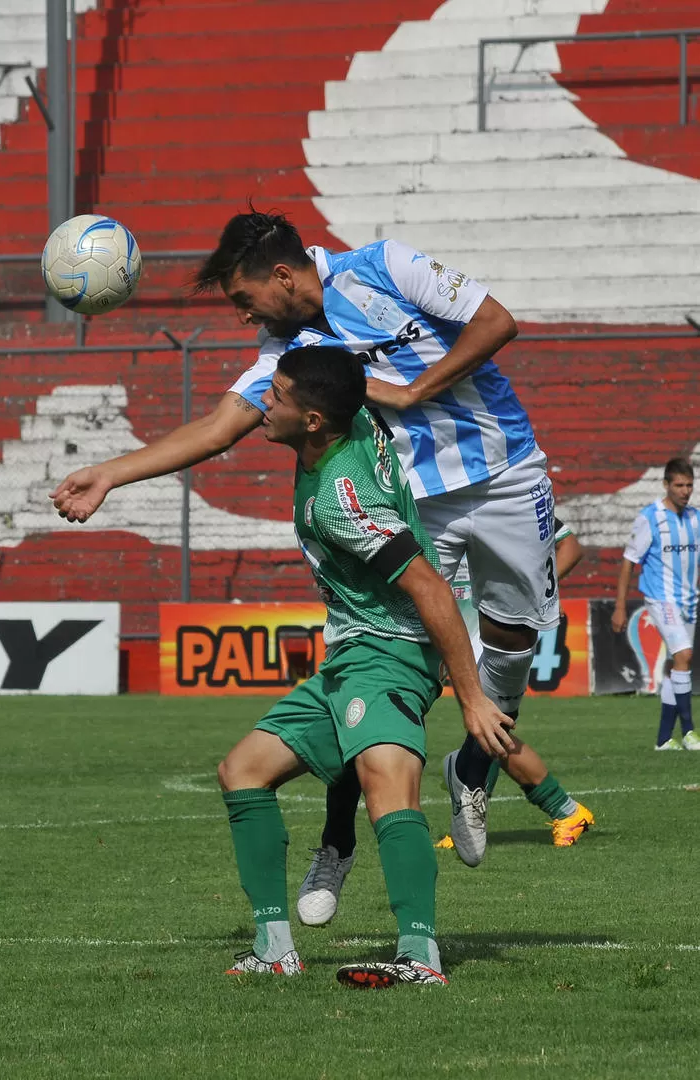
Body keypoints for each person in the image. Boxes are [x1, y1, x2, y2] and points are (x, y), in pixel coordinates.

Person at [50, 209, 591, 874]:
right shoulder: (289, 354)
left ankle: (472, 768)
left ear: (280, 275)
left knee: (514, 641)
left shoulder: (383, 266)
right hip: (420, 500)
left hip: (507, 470)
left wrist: (413, 390)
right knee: (389, 664)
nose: (246, 317)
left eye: (245, 301)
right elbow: (220, 428)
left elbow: (495, 322)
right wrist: (111, 472)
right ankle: (337, 842)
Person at [217, 345, 514, 986]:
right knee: (243, 771)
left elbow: (430, 588)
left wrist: (470, 696)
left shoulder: (341, 503)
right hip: (352, 650)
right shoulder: (358, 417)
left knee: (388, 791)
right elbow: (354, 376)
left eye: (278, 395)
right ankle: (274, 950)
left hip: (392, 652)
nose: (263, 404)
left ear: (316, 419)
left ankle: (420, 958)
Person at [300, 518, 589, 925]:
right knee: (368, 718)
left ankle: (557, 806)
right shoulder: (402, 480)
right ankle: (337, 844)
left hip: (481, 626)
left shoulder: (503, 481)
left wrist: (525, 589)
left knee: (494, 726)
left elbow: (569, 546)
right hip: (416, 620)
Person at [612, 457, 700, 752]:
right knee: (684, 655)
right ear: (666, 485)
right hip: (661, 598)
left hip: (688, 600)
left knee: (677, 665)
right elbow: (628, 563)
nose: (685, 491)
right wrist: (620, 606)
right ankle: (689, 731)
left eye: (689, 485)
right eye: (679, 485)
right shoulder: (650, 518)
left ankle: (664, 738)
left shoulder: (694, 519)